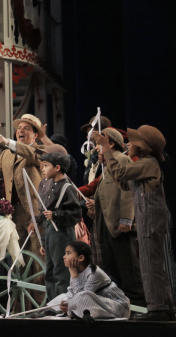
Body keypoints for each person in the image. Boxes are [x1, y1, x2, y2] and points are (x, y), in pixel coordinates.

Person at [98, 125, 175, 321]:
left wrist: (108, 151)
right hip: (146, 218)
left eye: (134, 142)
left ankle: (158, 308)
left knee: (151, 264)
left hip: (151, 219)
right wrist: (108, 160)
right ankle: (163, 305)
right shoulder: (142, 164)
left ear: (143, 147)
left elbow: (123, 173)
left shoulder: (149, 163)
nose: (129, 144)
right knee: (150, 263)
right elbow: (123, 180)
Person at [84, 127, 143, 303]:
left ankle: (138, 307)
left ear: (110, 143)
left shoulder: (122, 160)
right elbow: (108, 193)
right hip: (107, 226)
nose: (97, 149)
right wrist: (95, 205)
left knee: (128, 271)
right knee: (112, 270)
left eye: (100, 144)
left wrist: (126, 219)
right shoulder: (108, 166)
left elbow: (128, 193)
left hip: (119, 227)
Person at [0, 113, 47, 253]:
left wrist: (8, 142)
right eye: (19, 128)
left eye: (26, 128)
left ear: (35, 135)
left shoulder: (39, 151)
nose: (21, 131)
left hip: (34, 212)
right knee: (19, 256)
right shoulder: (7, 154)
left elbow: (29, 153)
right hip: (14, 213)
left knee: (37, 254)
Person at [36, 150, 82, 300]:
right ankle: (52, 303)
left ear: (57, 168)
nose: (42, 169)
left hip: (62, 233)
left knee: (61, 270)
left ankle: (62, 303)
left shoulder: (67, 187)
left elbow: (75, 214)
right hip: (50, 232)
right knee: (49, 270)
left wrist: (56, 215)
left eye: (46, 166)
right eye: (42, 166)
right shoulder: (47, 185)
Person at [44, 241, 130, 319]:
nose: (64, 257)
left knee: (84, 296)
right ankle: (48, 311)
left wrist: (73, 275)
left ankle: (74, 312)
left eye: (68, 253)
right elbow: (72, 292)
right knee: (64, 296)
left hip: (116, 307)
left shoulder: (94, 272)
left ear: (81, 258)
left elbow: (82, 296)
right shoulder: (76, 270)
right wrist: (67, 303)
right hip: (96, 303)